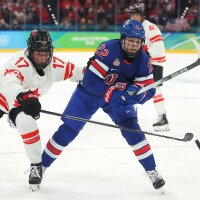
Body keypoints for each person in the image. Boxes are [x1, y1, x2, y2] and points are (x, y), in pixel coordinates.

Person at [42, 19, 165, 191]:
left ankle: (152, 170)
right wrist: (113, 93)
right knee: (69, 129)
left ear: (142, 42)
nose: (133, 45)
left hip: (119, 99)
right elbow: (90, 81)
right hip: (90, 94)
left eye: (137, 41)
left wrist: (136, 96)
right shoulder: (108, 49)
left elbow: (149, 90)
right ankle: (41, 167)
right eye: (130, 40)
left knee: (133, 131)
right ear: (122, 39)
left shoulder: (144, 60)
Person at [0, 29, 83, 191]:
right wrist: (24, 96)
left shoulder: (54, 65)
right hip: (4, 96)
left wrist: (95, 73)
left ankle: (36, 165)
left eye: (46, 53)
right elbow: (9, 84)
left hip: (20, 105)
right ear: (30, 50)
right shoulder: (18, 63)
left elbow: (76, 72)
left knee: (27, 122)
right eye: (38, 53)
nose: (43, 57)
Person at [128, 4, 169, 131]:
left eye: (136, 14)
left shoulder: (150, 27)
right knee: (134, 87)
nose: (133, 17)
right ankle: (132, 117)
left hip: (154, 63)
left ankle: (162, 118)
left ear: (142, 16)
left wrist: (146, 53)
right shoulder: (136, 27)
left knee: (155, 89)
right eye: (132, 15)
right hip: (144, 63)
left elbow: (159, 48)